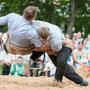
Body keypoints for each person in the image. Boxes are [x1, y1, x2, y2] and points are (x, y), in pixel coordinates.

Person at [29, 20, 88, 86]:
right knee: (62, 67)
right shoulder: (35, 33)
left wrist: (60, 43)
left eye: (46, 39)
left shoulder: (55, 36)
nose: (45, 40)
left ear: (49, 35)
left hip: (64, 45)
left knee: (61, 61)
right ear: (39, 37)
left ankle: (57, 81)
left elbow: (56, 49)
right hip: (52, 48)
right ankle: (81, 81)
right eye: (43, 40)